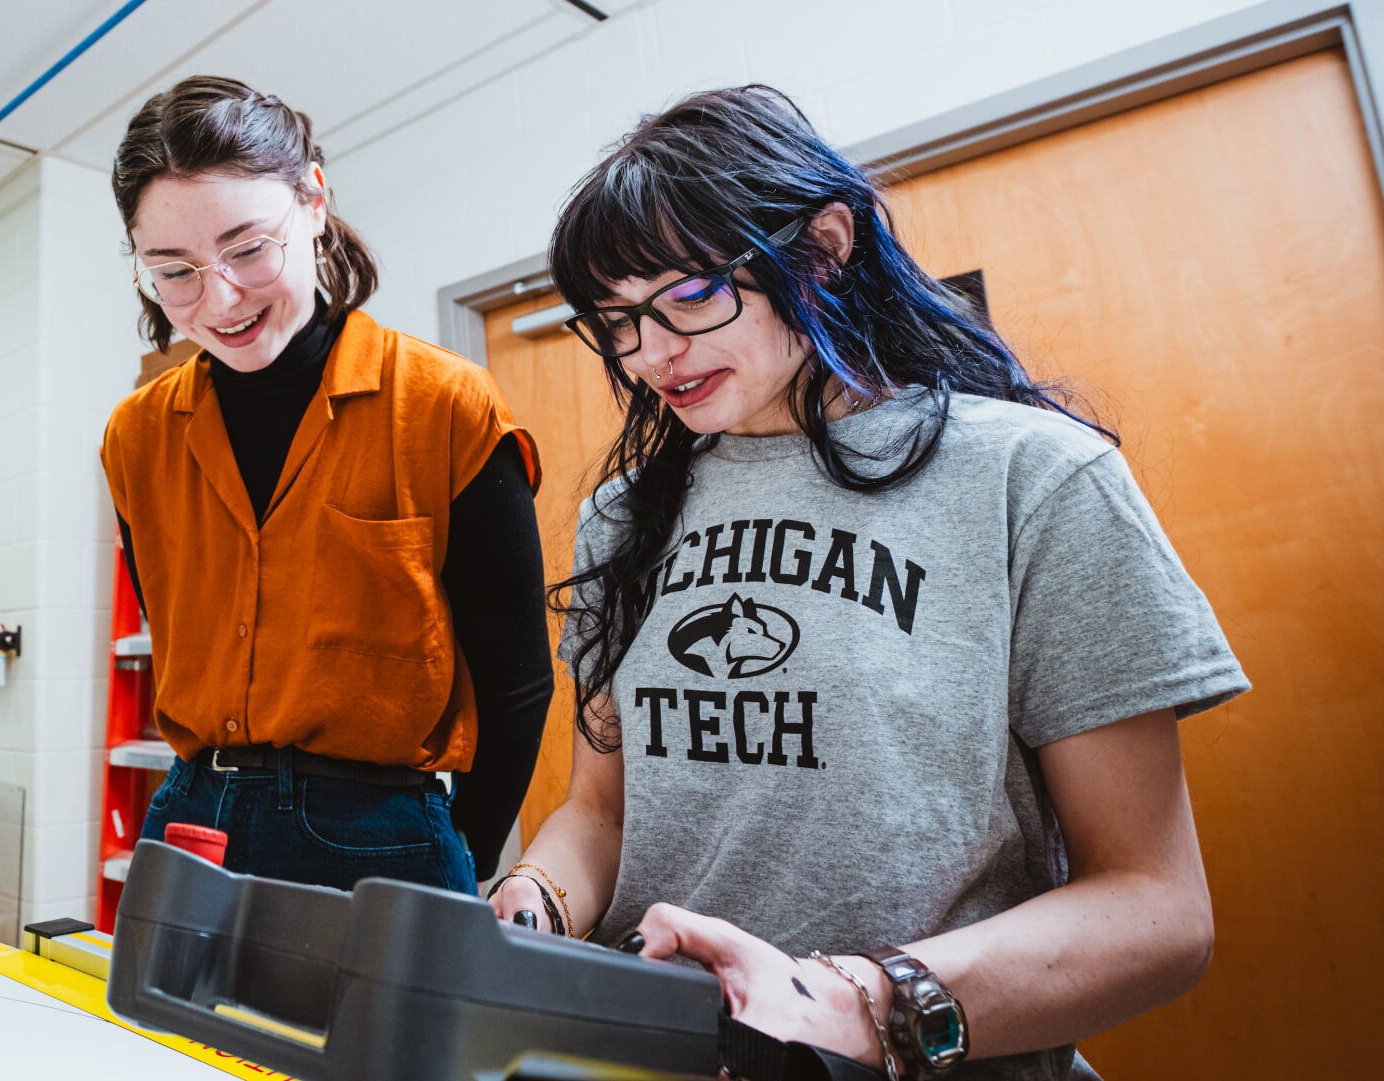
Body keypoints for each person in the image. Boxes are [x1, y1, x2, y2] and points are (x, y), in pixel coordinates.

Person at [487, 87, 1249, 1080]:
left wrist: (855, 1001)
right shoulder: (623, 517)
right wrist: (535, 898)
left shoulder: (1032, 478)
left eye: (689, 297)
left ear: (823, 245)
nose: (652, 355)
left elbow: (1157, 909)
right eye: (619, 322)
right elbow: (604, 812)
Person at [101, 76, 552, 893]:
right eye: (174, 271)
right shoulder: (137, 434)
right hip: (192, 817)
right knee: (159, 1030)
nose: (220, 298)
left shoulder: (444, 405)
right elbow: (175, 626)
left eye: (247, 249)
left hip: (379, 834)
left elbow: (517, 681)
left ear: (313, 200)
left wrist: (461, 863)